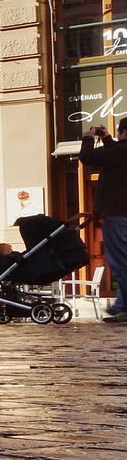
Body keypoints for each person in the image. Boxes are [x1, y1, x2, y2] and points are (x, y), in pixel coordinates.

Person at [81, 120, 127, 322]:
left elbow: (88, 157)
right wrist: (107, 139)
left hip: (117, 215)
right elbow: (114, 157)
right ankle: (121, 306)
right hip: (121, 214)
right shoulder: (119, 152)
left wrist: (88, 138)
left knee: (121, 265)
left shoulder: (122, 150)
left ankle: (124, 308)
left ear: (124, 132)